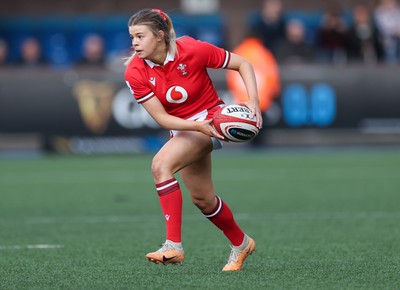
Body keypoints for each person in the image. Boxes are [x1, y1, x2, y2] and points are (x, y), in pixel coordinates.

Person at [124, 8, 262, 271]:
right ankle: (241, 243)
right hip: (189, 127)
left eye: (140, 36)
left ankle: (173, 245)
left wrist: (253, 101)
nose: (135, 43)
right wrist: (196, 127)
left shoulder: (192, 49)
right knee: (203, 199)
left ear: (160, 36)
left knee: (160, 165)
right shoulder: (134, 72)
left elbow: (243, 63)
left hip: (212, 120)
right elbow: (163, 119)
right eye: (132, 37)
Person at [373, 0, 400, 65]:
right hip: (387, 41)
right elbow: (382, 28)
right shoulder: (378, 12)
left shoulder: (397, 11)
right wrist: (394, 31)